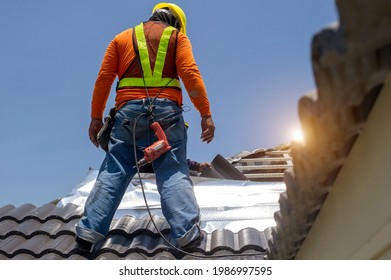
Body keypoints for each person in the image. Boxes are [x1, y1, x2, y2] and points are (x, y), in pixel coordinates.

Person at [75, 3, 215, 253]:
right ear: (176, 22)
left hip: (127, 115)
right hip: (166, 115)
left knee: (114, 170)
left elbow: (104, 78)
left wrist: (96, 117)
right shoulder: (177, 37)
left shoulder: (121, 38)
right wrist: (205, 114)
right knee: (172, 170)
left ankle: (88, 233)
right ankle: (187, 235)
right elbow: (190, 74)